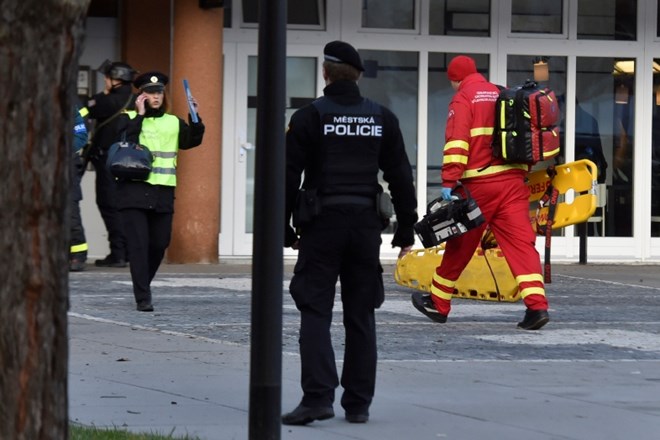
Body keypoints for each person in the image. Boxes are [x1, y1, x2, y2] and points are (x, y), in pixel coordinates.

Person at [281, 41, 418, 426]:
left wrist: (282, 228)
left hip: (322, 225)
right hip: (363, 226)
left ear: (325, 72)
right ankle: (358, 403)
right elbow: (400, 175)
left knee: (315, 309)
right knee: (360, 315)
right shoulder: (382, 118)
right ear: (358, 75)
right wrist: (406, 226)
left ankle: (317, 398)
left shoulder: (309, 117)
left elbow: (288, 175)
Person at [411, 55, 550, 331]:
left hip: (480, 185)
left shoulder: (464, 98)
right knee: (521, 244)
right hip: (512, 183)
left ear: (455, 79)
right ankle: (537, 307)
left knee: (460, 243)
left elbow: (457, 143)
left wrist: (449, 181)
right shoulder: (502, 92)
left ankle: (438, 302)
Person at [115, 71, 205, 312]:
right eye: (150, 92)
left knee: (159, 244)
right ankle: (143, 297)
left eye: (159, 92)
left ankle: (143, 284)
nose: (155, 96)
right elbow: (124, 141)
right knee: (138, 245)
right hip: (133, 191)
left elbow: (192, 141)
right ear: (141, 95)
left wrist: (195, 117)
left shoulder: (173, 122)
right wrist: (140, 117)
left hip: (162, 191)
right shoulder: (129, 118)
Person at [82, 60, 136, 268]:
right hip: (128, 161)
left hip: (108, 161)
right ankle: (128, 251)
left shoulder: (108, 101)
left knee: (108, 204)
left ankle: (118, 253)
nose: (105, 80)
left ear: (115, 80)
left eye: (107, 77)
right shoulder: (134, 100)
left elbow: (87, 110)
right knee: (123, 206)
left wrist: (101, 95)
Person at [69, 105, 89, 271]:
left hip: (66, 166)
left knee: (70, 213)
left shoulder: (70, 107)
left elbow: (81, 136)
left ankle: (77, 254)